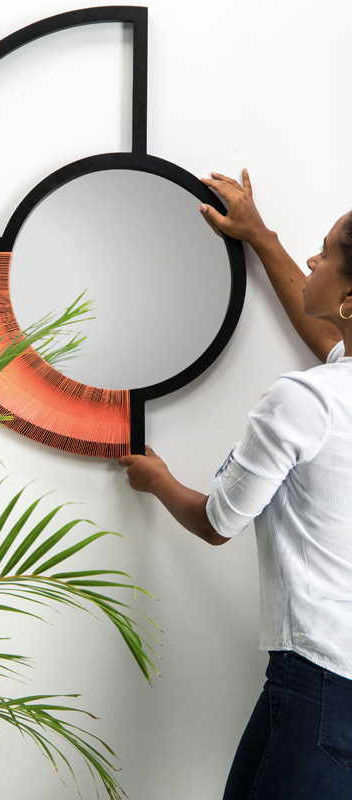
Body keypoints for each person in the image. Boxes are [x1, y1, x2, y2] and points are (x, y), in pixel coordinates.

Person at [119, 170, 352, 799]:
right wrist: (260, 235)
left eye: (325, 253)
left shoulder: (304, 400)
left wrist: (159, 480)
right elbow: (332, 341)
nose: (313, 259)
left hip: (322, 686)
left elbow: (219, 522)